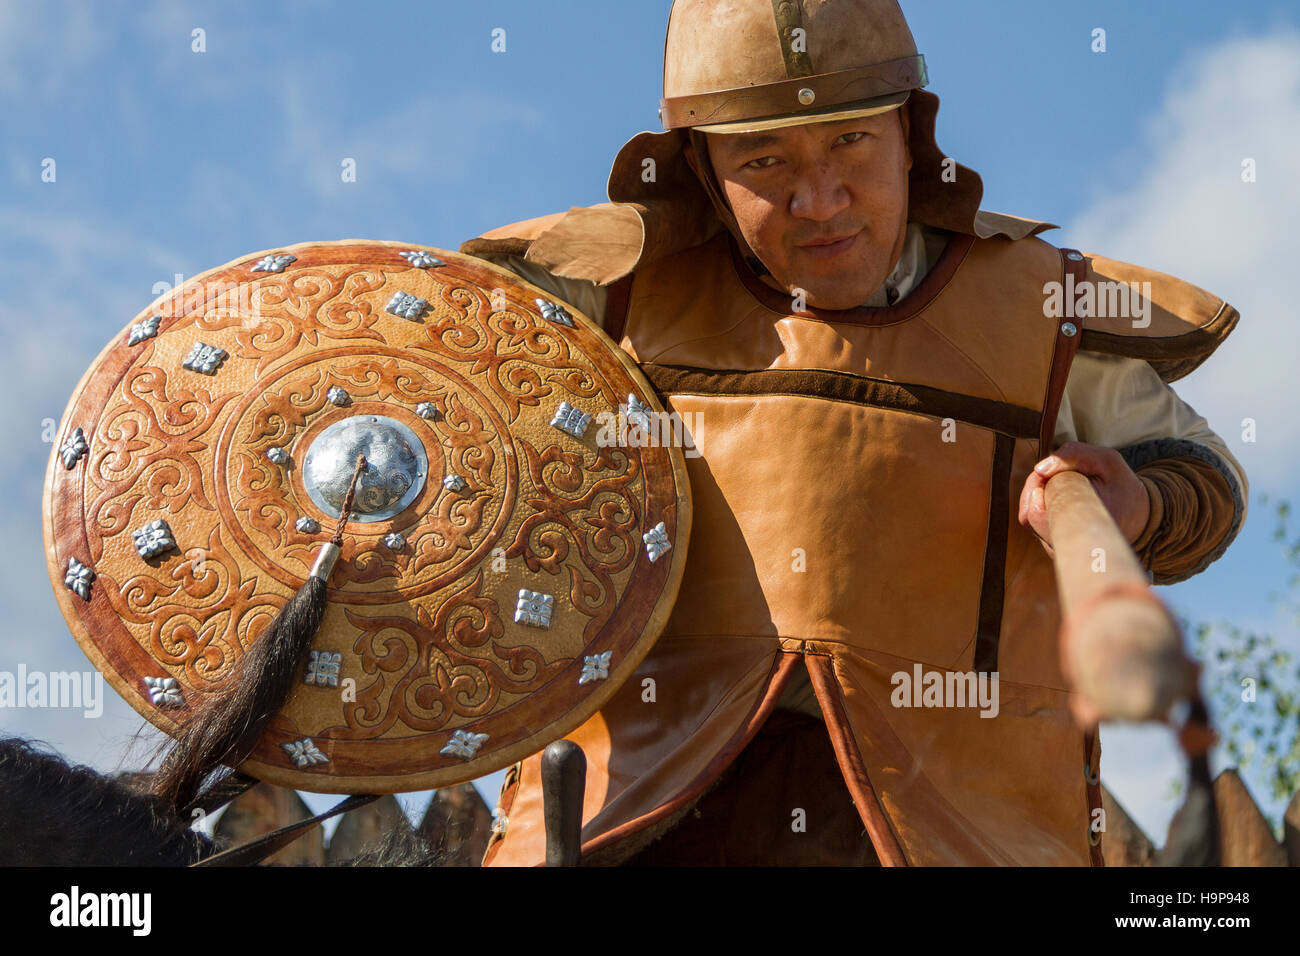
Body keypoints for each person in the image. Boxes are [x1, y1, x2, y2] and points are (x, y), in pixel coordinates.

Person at [461, 0, 1248, 866]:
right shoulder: (605, 296)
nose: (820, 201)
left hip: (961, 838)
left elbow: (1203, 480)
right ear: (701, 165)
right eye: (764, 158)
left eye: (850, 144)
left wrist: (1138, 503)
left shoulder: (1037, 313)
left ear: (910, 134)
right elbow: (417, 396)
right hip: (629, 831)